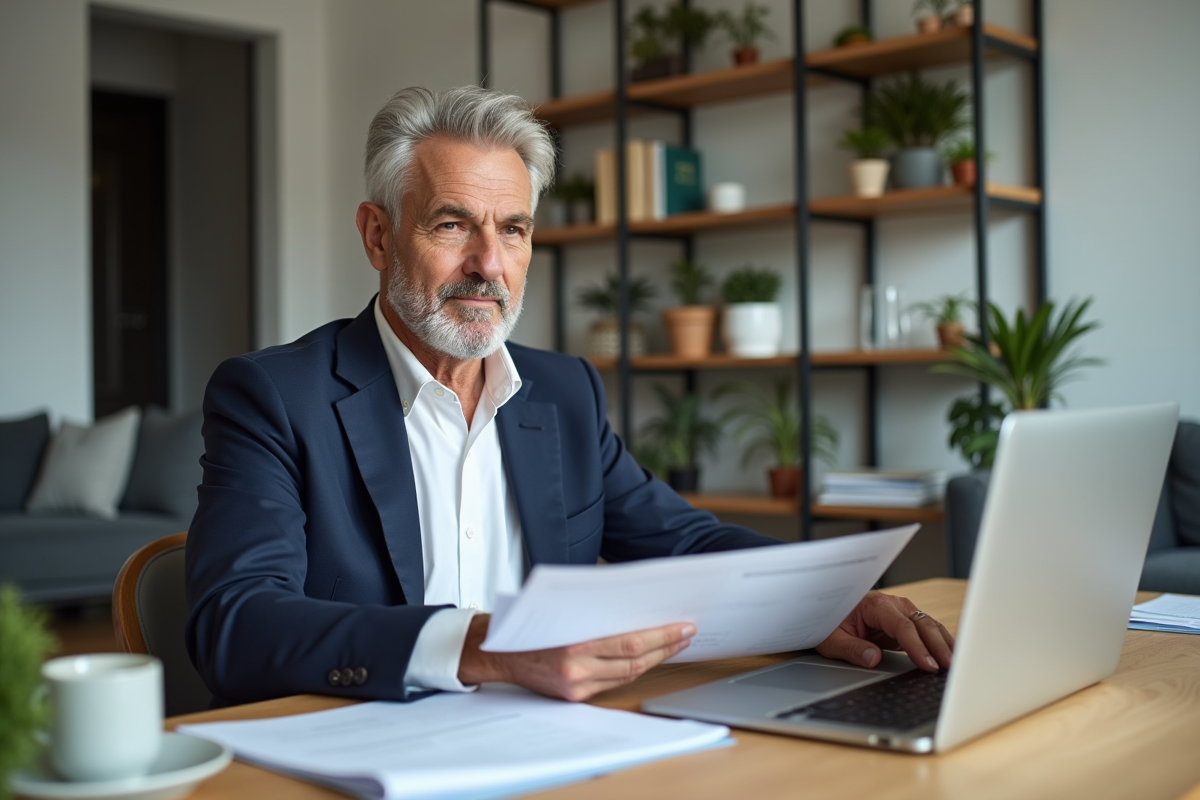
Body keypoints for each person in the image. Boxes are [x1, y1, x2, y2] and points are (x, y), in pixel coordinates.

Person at [185, 85, 954, 707]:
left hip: (557, 745)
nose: (489, 264)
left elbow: (682, 544)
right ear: (378, 236)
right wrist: (487, 649)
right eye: (454, 224)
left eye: (513, 230)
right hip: (364, 753)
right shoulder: (274, 396)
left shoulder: (563, 394)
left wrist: (825, 598)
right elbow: (236, 624)